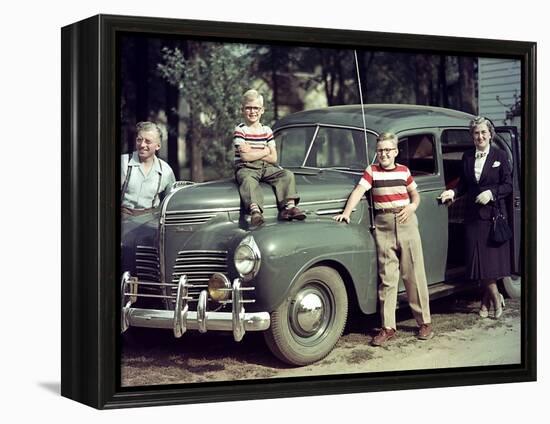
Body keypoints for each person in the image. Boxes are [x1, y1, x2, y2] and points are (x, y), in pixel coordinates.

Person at [333, 132, 432, 346]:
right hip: (383, 225)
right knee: (387, 278)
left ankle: (424, 323)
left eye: (388, 150)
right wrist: (347, 213)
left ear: (395, 152)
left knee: (413, 273)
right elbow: (358, 191)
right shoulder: (372, 171)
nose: (384, 154)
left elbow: (416, 195)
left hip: (406, 222)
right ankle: (388, 327)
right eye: (380, 151)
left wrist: (412, 207)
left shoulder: (404, 171)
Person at [440, 117, 512, 319]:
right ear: (472, 136)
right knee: (477, 262)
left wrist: (491, 193)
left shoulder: (500, 156)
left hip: (492, 216)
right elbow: (464, 184)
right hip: (472, 217)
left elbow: (508, 185)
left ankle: (486, 303)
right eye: (476, 133)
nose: (480, 136)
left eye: (483, 133)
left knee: (489, 263)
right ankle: (496, 297)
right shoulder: (468, 156)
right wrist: (452, 193)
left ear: (490, 134)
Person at [233, 89, 305, 226]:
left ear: (262, 110)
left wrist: (253, 151)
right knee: (248, 181)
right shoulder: (240, 130)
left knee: (287, 175)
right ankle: (255, 211)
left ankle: (288, 207)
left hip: (266, 167)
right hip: (246, 168)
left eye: (256, 108)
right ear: (242, 110)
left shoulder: (267, 130)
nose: (252, 111)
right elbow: (245, 157)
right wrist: (265, 150)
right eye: (248, 108)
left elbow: (273, 158)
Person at [121, 121, 176, 216]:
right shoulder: (123, 163)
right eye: (139, 140)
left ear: (158, 146)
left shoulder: (165, 170)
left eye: (148, 141)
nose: (142, 145)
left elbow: (171, 202)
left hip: (149, 221)